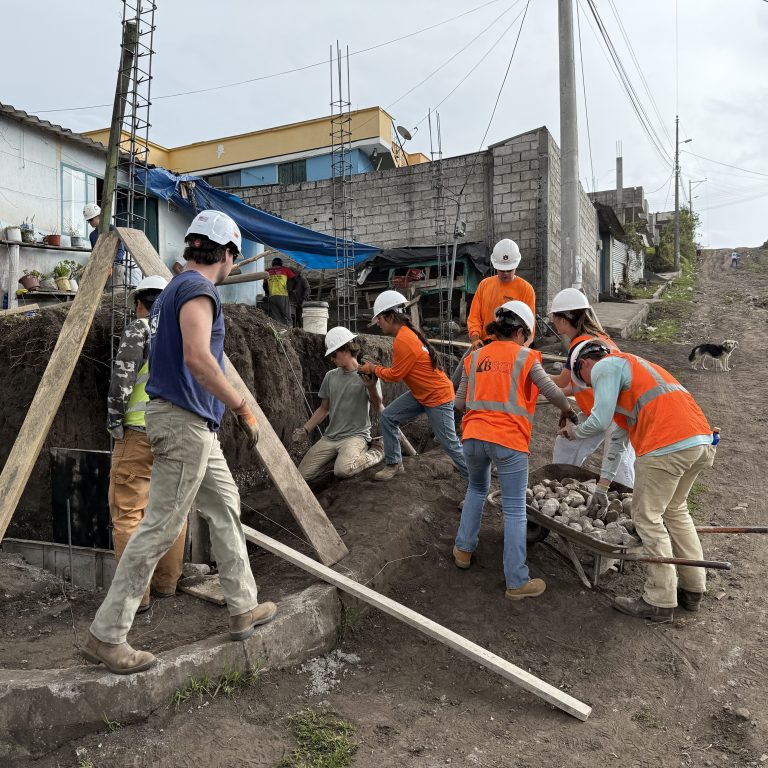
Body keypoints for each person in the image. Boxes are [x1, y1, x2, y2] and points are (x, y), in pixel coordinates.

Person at [82, 210, 277, 674]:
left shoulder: (174, 289)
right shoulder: (196, 289)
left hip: (193, 426)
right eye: (235, 256)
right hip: (184, 422)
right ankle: (107, 635)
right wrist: (242, 406)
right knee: (161, 526)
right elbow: (198, 359)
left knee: (226, 505)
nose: (234, 264)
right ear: (226, 252)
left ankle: (242, 605)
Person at [561, 340, 716, 622]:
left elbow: (597, 421)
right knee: (675, 510)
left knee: (647, 518)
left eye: (582, 379)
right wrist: (602, 487)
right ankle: (693, 588)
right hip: (699, 442)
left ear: (583, 364)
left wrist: (574, 433)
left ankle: (660, 599)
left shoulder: (607, 365)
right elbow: (617, 441)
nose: (588, 386)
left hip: (666, 445)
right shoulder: (634, 374)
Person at [453, 301, 577, 600]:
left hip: (472, 437)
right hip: (508, 441)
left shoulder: (476, 356)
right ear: (520, 331)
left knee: (476, 490)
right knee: (514, 508)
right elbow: (551, 390)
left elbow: (458, 403)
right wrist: (568, 411)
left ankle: (463, 551)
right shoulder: (525, 357)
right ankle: (517, 580)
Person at [106, 275, 187, 613]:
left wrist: (114, 423)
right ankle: (167, 584)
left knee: (128, 513)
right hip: (175, 433)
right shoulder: (182, 333)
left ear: (140, 302)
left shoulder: (139, 328)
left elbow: (122, 379)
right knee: (170, 511)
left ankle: (136, 598)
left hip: (139, 433)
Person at [360, 290, 468, 482]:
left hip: (437, 397)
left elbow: (395, 376)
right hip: (422, 393)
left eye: (380, 320)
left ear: (391, 316)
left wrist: (373, 368)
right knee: (388, 417)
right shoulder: (406, 334)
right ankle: (394, 463)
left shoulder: (404, 340)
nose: (378, 324)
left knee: (449, 443)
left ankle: (477, 483)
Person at [548, 287, 635, 487]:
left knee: (619, 465)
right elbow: (578, 386)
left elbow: (562, 382)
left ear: (563, 319)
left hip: (617, 412)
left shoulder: (581, 345)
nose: (552, 320)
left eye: (554, 316)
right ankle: (558, 486)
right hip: (602, 409)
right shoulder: (598, 338)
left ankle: (630, 508)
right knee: (567, 444)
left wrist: (533, 375)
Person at [292, 327, 385, 480]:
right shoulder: (330, 376)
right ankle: (336, 458)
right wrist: (305, 429)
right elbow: (324, 408)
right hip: (330, 437)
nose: (331, 359)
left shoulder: (367, 375)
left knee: (343, 470)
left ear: (346, 350)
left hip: (355, 436)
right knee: (302, 475)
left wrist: (371, 387)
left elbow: (377, 405)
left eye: (333, 354)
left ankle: (377, 451)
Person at [452, 238, 536, 387]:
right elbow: (475, 317)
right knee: (457, 382)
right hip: (484, 345)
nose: (505, 274)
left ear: (516, 265)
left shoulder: (526, 289)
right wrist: (475, 338)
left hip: (511, 350)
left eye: (509, 270)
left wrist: (521, 350)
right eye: (501, 270)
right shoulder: (485, 285)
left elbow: (530, 327)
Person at [83, 203, 134, 287]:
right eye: (88, 220)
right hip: (101, 270)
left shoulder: (112, 229)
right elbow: (94, 255)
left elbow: (120, 251)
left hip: (115, 268)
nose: (89, 222)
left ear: (98, 216)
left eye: (90, 219)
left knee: (116, 296)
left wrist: (111, 265)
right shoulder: (92, 235)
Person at [263, 256, 296, 325]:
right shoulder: (285, 269)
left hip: (272, 296)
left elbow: (264, 286)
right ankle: (290, 331)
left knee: (276, 317)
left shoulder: (267, 271)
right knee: (287, 316)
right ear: (281, 263)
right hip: (283, 295)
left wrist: (268, 294)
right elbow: (294, 279)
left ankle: (280, 331)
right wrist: (290, 290)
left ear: (272, 264)